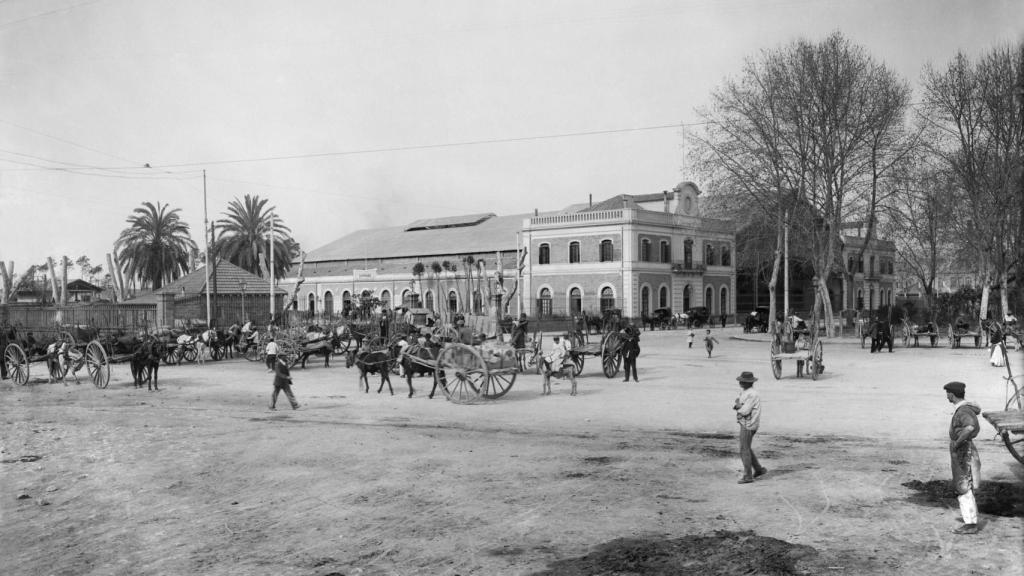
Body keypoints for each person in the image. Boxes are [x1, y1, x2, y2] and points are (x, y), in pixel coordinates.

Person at [944, 381, 982, 535]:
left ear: (951, 394)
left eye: (947, 393)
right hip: (964, 448)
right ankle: (970, 520)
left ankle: (971, 524)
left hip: (963, 449)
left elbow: (970, 427)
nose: (946, 396)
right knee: (965, 484)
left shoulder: (963, 411)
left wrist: (957, 443)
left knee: (963, 484)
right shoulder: (964, 409)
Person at [733, 371, 767, 484]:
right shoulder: (747, 392)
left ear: (748, 383)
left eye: (742, 381)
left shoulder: (751, 394)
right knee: (746, 447)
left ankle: (748, 476)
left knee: (744, 449)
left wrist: (738, 406)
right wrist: (739, 405)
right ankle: (758, 469)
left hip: (748, 424)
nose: (740, 382)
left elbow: (744, 410)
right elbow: (739, 403)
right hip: (748, 423)